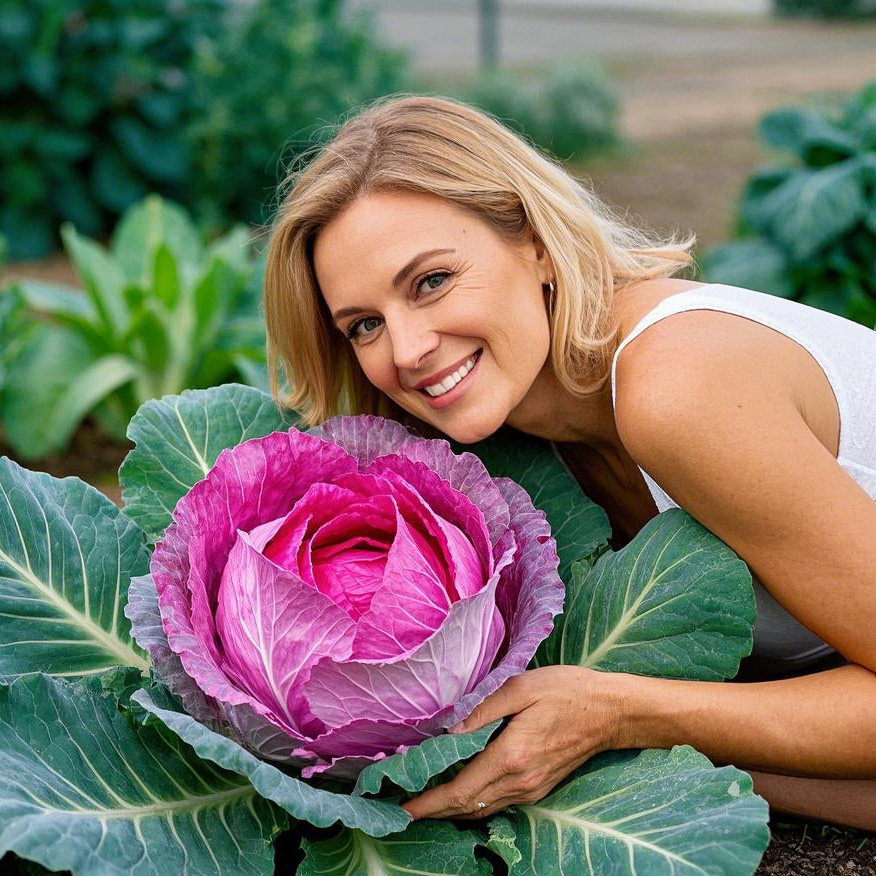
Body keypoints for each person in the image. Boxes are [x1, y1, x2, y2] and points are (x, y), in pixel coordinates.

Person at [263, 94, 876, 831]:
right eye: (364, 325)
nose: (406, 351)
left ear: (538, 245)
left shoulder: (679, 391)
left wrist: (618, 717)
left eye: (430, 282)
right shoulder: (517, 450)